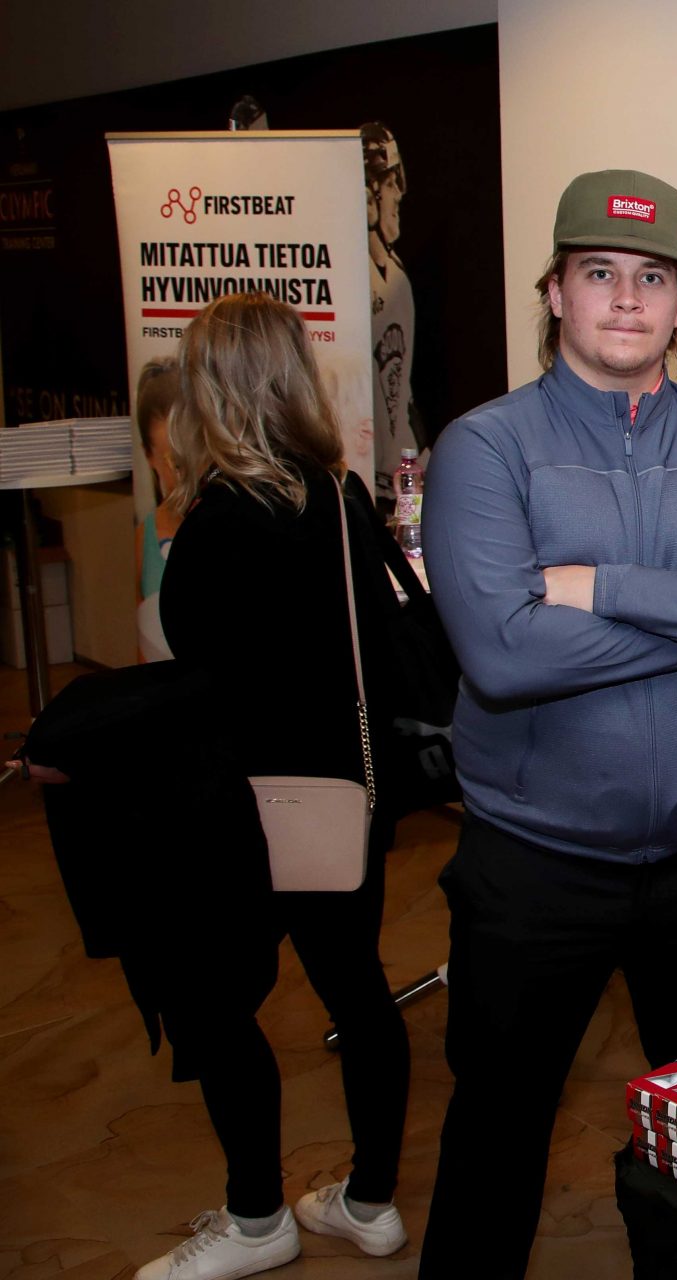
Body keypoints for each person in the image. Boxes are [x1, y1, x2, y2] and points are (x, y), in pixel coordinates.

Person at [419, 169, 677, 1278]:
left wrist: (602, 588)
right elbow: (505, 655)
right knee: (496, 1137)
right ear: (555, 291)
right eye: (598, 271)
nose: (625, 298)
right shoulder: (487, 446)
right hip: (534, 866)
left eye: (652, 277)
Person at [138, 292, 412, 1278]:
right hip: (346, 797)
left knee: (211, 1007)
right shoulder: (338, 498)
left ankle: (258, 1218)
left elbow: (190, 667)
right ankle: (370, 1201)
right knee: (359, 993)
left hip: (240, 809)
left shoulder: (216, 518)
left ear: (209, 390)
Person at [363, 122, 420, 498]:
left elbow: (402, 391)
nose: (398, 193)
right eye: (390, 182)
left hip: (397, 480)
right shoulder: (349, 281)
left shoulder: (395, 276)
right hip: (367, 480)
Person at [133, 357, 181, 661]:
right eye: (171, 460)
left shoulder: (235, 523)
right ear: (149, 456)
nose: (183, 472)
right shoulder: (144, 538)